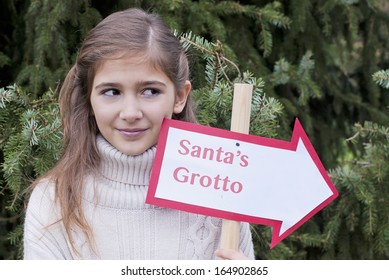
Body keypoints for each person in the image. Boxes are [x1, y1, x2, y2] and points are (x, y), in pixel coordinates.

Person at [23, 8, 255, 260]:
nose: (131, 113)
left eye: (150, 91)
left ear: (179, 96)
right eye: (111, 92)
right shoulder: (53, 203)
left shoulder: (221, 199)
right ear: (89, 98)